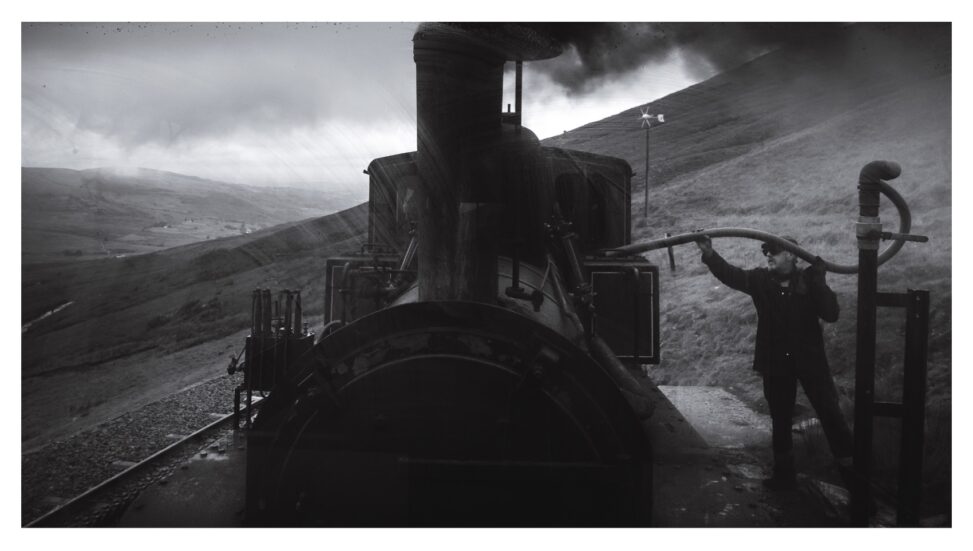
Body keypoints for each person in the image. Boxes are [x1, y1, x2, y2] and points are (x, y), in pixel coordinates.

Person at [695, 234, 854, 490]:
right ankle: (784, 477)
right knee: (780, 418)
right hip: (776, 362)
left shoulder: (809, 279)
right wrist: (710, 255)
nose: (768, 254)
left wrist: (820, 281)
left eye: (775, 251)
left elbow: (831, 314)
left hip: (810, 362)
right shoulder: (760, 280)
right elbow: (730, 275)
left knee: (831, 416)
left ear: (792, 255)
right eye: (766, 250)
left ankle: (855, 484)